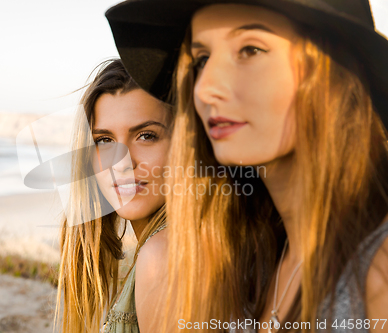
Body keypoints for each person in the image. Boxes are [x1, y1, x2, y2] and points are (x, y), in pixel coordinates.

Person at [106, 1, 388, 332]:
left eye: (250, 49)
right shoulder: (261, 257)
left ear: (331, 70)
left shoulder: (378, 268)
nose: (206, 86)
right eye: (201, 60)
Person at [54, 59, 172, 333]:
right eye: (104, 141)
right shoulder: (158, 250)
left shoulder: (163, 255)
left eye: (146, 135)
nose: (122, 162)